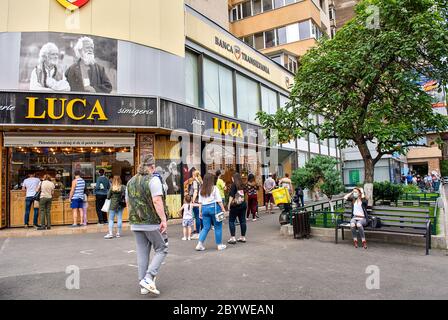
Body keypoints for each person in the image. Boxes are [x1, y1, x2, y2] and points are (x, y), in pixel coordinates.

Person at [126, 155, 168, 296]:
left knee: (142, 254)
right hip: (151, 222)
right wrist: (163, 219)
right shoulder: (153, 179)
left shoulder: (131, 181)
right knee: (162, 248)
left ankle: (143, 284)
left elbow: (128, 203)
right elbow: (157, 200)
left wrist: (133, 218)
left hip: (135, 222)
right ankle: (149, 277)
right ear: (152, 166)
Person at [195, 173, 227, 251]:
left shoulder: (201, 189)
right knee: (218, 227)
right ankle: (219, 245)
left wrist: (200, 211)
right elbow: (219, 200)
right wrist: (223, 209)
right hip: (214, 208)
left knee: (206, 227)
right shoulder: (214, 188)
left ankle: (199, 244)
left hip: (204, 209)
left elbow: (200, 202)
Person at [227, 173, 248, 244]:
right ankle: (243, 237)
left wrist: (229, 205)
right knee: (242, 221)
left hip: (235, 206)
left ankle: (233, 238)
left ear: (234, 178)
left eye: (232, 178)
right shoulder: (243, 185)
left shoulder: (234, 185)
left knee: (231, 221)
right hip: (243, 204)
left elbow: (231, 196)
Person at [190, 170, 203, 239]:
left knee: (197, 217)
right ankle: (202, 232)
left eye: (193, 174)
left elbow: (195, 191)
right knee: (200, 217)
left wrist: (193, 201)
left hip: (196, 201)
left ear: (194, 175)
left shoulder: (195, 181)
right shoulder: (201, 181)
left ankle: (198, 233)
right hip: (201, 201)